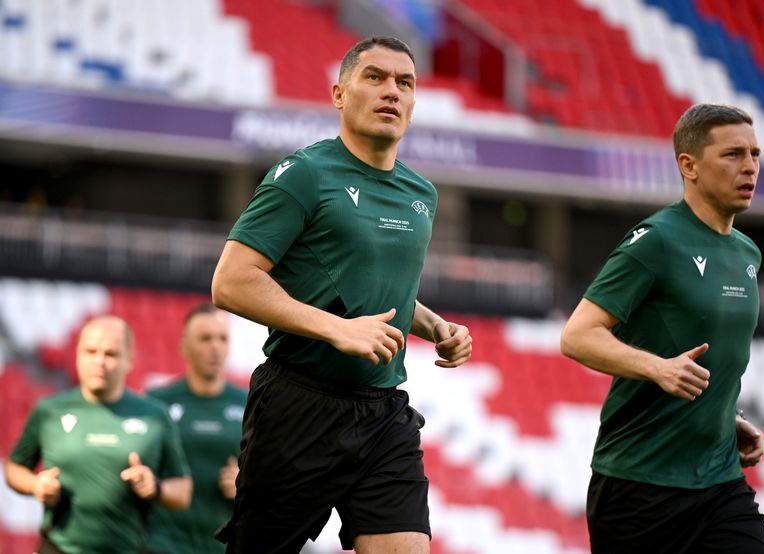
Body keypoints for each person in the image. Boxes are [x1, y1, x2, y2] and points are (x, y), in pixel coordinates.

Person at [210, 36, 472, 554]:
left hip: (384, 415)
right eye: (374, 77)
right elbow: (231, 281)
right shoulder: (304, 174)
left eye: (405, 83)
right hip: (297, 406)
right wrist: (337, 329)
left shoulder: (422, 194)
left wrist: (436, 327)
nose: (391, 91)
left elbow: (383, 289)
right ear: (339, 93)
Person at [560, 103, 764, 554]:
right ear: (689, 166)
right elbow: (577, 335)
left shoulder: (748, 253)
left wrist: (726, 417)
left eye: (755, 154)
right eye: (733, 154)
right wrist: (658, 369)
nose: (750, 167)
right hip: (639, 487)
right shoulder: (656, 240)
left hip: (720, 482)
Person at [4, 315, 192, 554]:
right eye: (90, 352)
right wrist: (35, 484)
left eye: (110, 354)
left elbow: (183, 490)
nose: (99, 362)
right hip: (58, 548)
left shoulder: (155, 415)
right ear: (77, 355)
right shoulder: (49, 410)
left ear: (130, 360)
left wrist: (154, 487)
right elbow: (14, 467)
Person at [147, 303, 248, 554]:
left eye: (222, 338)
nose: (215, 347)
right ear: (184, 347)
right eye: (205, 338)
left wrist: (247, 486)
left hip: (225, 546)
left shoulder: (250, 404)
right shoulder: (156, 403)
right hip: (163, 545)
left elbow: (276, 480)